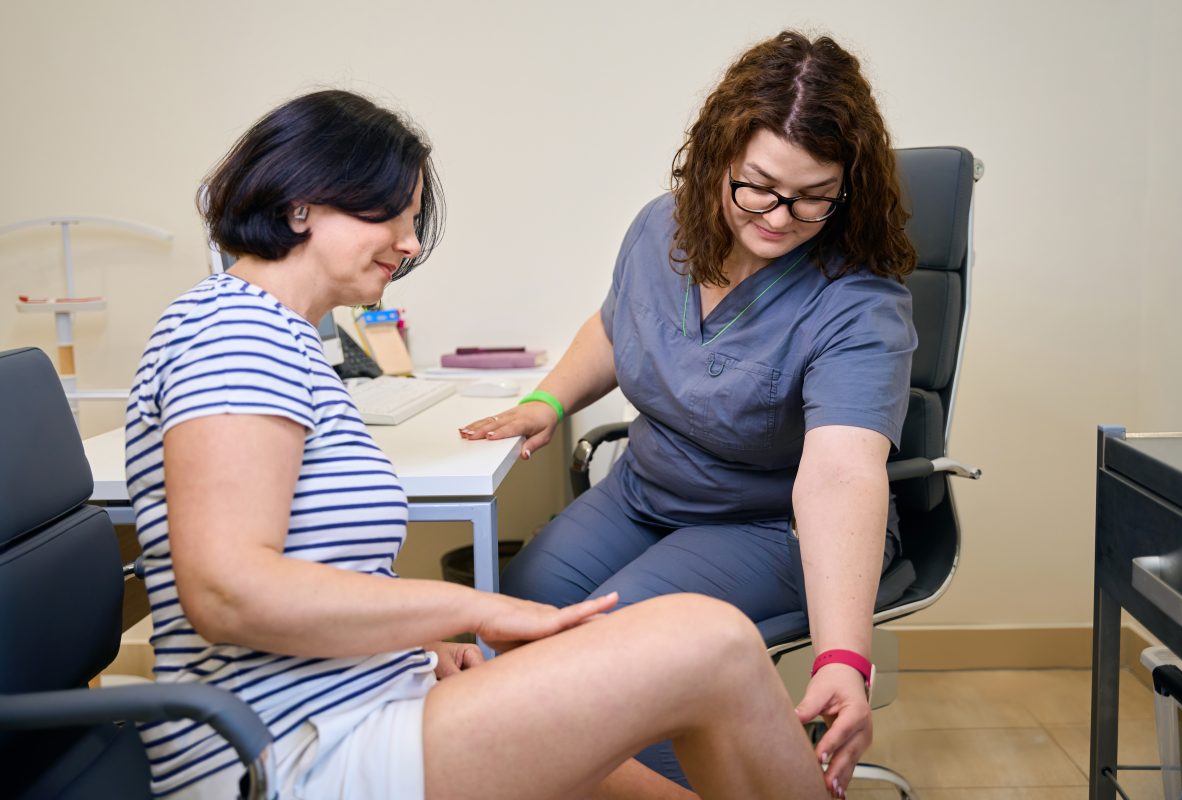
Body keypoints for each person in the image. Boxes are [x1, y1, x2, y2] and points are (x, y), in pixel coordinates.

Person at [125, 89, 827, 800]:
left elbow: (305, 575)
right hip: (289, 753)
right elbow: (227, 593)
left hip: (361, 706)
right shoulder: (235, 333)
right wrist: (471, 609)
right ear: (303, 202)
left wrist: (420, 645)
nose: (409, 242)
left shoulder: (285, 341)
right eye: (394, 213)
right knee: (712, 643)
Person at [461, 31, 917, 799]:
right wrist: (548, 400)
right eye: (760, 186)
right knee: (519, 609)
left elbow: (841, 472)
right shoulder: (663, 228)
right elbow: (616, 325)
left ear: (850, 188)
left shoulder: (858, 303)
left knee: (626, 657)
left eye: (814, 196)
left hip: (768, 527)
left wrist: (845, 658)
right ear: (717, 156)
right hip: (646, 493)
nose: (780, 216)